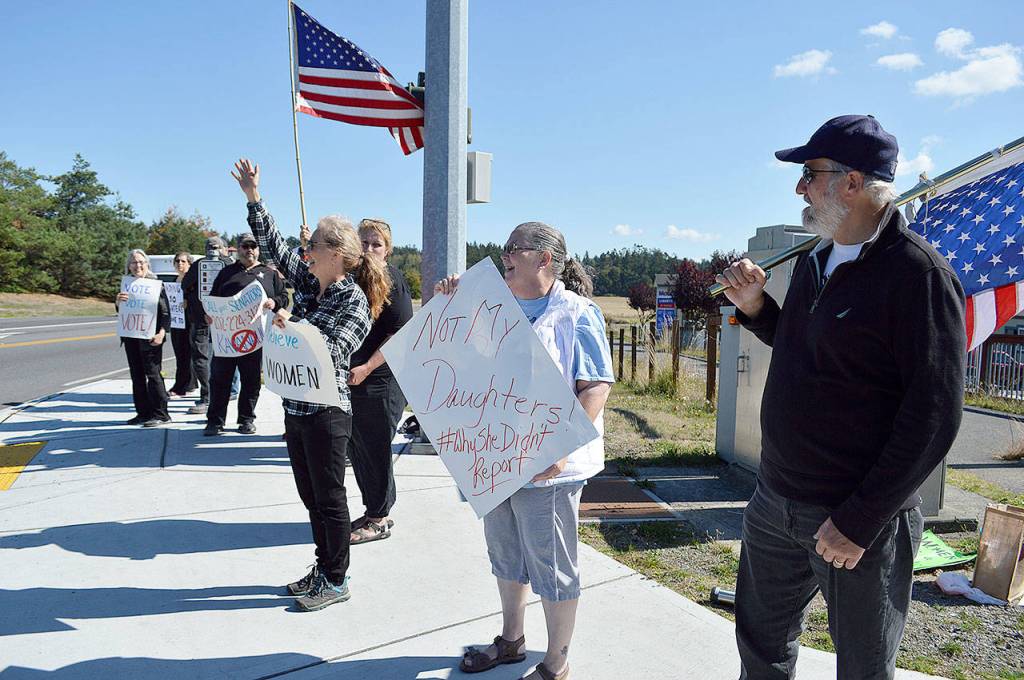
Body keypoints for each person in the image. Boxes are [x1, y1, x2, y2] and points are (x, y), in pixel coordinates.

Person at [715, 115, 966, 679]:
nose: (799, 187)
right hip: (774, 502)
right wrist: (757, 308)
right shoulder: (815, 260)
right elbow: (809, 352)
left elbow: (934, 414)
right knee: (761, 653)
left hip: (857, 523)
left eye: (809, 173)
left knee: (863, 667)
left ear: (852, 184)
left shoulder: (918, 276)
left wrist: (860, 519)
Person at [435, 221, 614, 680]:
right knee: (506, 554)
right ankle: (512, 640)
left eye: (514, 249)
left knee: (552, 564)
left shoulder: (577, 313)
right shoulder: (493, 308)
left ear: (544, 259)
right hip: (495, 458)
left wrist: (559, 446)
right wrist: (449, 302)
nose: (505, 256)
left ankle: (556, 663)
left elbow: (594, 387)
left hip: (551, 467)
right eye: (504, 248)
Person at [232, 157, 390, 612]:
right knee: (310, 497)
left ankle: (336, 579)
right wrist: (254, 198)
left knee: (330, 497)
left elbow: (332, 351)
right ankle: (322, 567)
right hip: (296, 409)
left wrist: (292, 326)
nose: (307, 252)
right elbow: (277, 247)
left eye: (316, 245)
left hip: (326, 413)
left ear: (337, 253)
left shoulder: (354, 301)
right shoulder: (307, 282)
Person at [345, 218, 413, 544]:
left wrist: (368, 367)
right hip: (352, 378)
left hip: (381, 379)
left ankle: (380, 517)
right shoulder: (351, 279)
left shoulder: (393, 281)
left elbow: (399, 333)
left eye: (377, 244)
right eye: (365, 243)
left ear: (387, 250)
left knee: (375, 449)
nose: (370, 249)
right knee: (357, 447)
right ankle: (372, 508)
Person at [202, 232, 289, 436]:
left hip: (254, 338)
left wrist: (274, 302)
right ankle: (215, 421)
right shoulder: (226, 273)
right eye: (244, 246)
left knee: (251, 382)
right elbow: (213, 299)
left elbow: (284, 297)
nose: (249, 249)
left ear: (258, 250)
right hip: (226, 338)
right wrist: (209, 314)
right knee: (219, 380)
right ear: (238, 249)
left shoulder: (269, 273)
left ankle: (246, 419)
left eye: (253, 246)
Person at [116, 249, 172, 428]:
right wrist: (118, 302)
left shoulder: (155, 285)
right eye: (133, 262)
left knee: (153, 374)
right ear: (128, 265)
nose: (137, 265)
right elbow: (123, 312)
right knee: (137, 375)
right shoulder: (127, 284)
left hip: (151, 337)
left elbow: (166, 312)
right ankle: (142, 413)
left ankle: (161, 414)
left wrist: (162, 333)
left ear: (147, 264)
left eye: (141, 262)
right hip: (131, 336)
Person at [180, 236, 232, 415]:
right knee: (221, 358)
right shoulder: (230, 264)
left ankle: (208, 397)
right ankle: (216, 395)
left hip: (203, 318)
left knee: (202, 358)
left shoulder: (199, 264)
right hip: (224, 319)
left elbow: (185, 285)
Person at [168, 251, 198, 397]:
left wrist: (188, 301)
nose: (180, 264)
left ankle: (181, 386)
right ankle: (190, 383)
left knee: (188, 354)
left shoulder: (192, 280)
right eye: (177, 261)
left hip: (190, 321)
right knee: (180, 354)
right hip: (176, 322)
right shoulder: (174, 281)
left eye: (183, 261)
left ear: (190, 264)